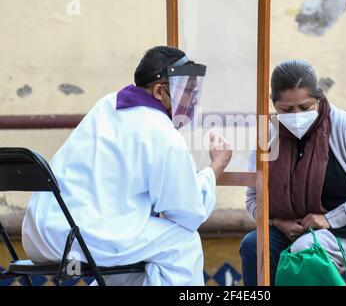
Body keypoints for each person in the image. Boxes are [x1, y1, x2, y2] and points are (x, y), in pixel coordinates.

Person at [22, 46, 232, 286]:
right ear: (159, 91)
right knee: (182, 243)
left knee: (138, 248)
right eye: (186, 91)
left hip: (40, 233)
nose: (192, 99)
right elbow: (188, 213)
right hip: (82, 238)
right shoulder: (162, 134)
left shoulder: (105, 106)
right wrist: (216, 166)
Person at [240, 60, 346, 285]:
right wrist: (275, 222)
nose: (296, 115)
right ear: (274, 105)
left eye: (305, 107)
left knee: (304, 251)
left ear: (319, 99)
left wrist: (329, 219)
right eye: (286, 109)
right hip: (290, 230)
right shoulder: (267, 135)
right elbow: (254, 198)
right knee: (254, 245)